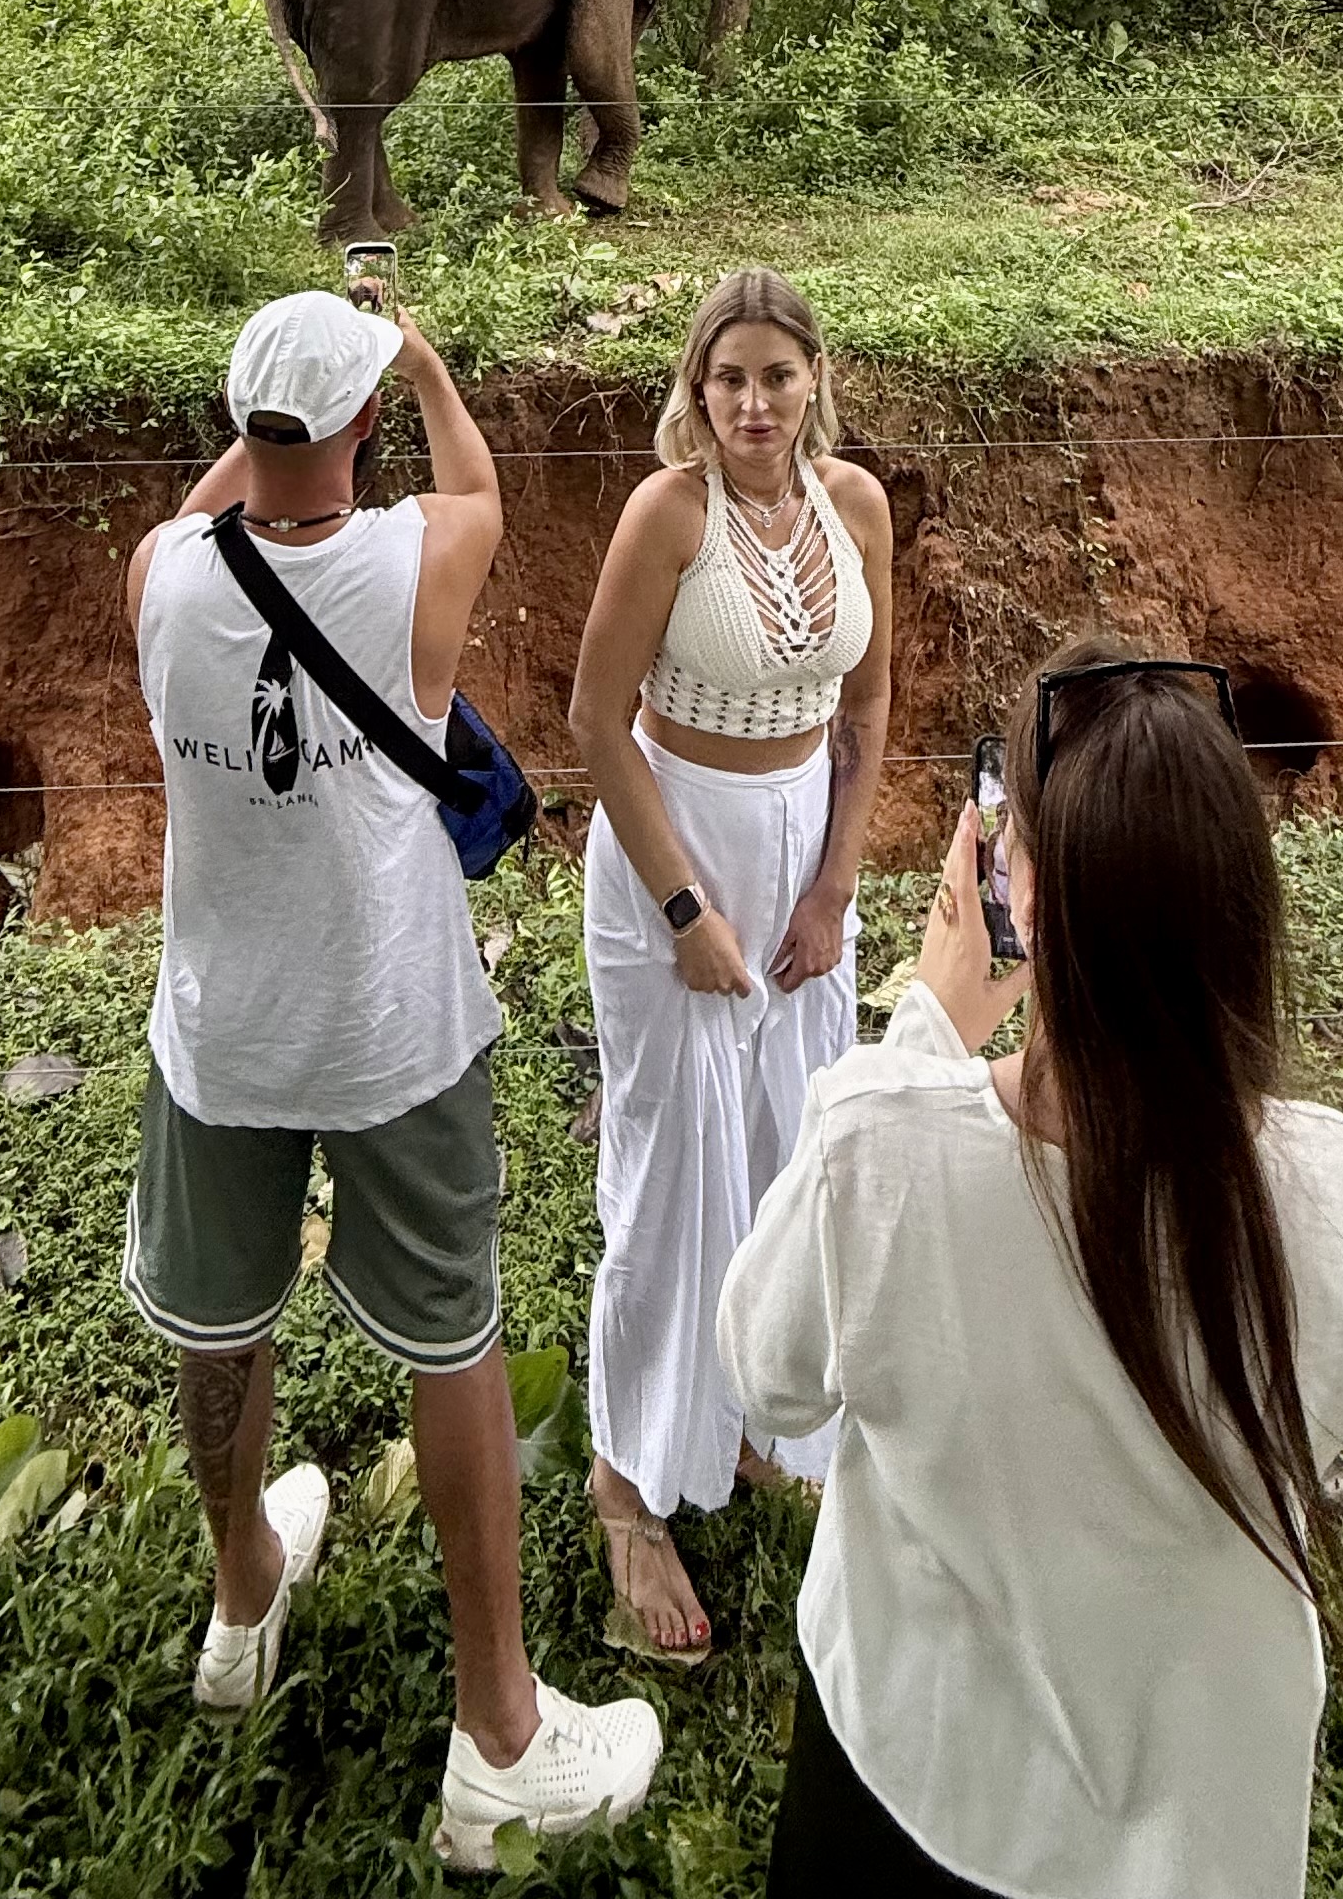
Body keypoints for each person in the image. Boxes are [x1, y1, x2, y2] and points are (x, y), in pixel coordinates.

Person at [716, 638, 1343, 1896]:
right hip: (1194, 1828)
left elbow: (767, 1381)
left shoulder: (876, 1152)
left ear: (1021, 899)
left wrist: (928, 1026)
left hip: (911, 1781)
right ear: (1241, 903)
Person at [120, 288, 660, 1870]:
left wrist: (276, 422)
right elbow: (482, 488)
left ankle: (241, 1608)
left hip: (221, 1033)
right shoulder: (419, 555)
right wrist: (418, 357)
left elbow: (206, 512)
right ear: (366, 423)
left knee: (220, 1325)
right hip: (393, 1029)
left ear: (243, 425)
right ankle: (497, 1732)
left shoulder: (160, 577)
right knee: (453, 1335)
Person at [567, 267, 893, 1657]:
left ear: (816, 376)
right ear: (696, 392)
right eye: (729, 379)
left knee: (791, 1148)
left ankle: (757, 1416)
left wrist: (834, 883)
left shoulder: (858, 507)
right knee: (671, 1161)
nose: (754, 404)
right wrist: (688, 910)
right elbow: (593, 718)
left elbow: (873, 701)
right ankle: (627, 1478)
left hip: (802, 844)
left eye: (777, 374)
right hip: (674, 844)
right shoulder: (670, 515)